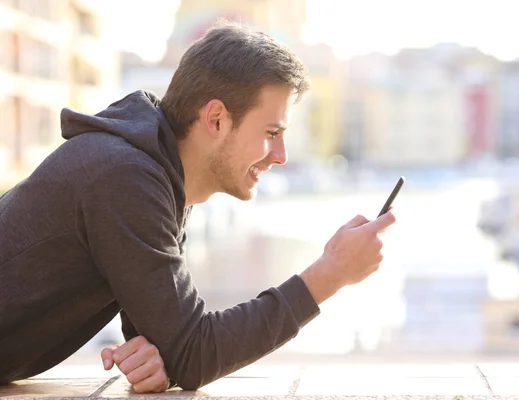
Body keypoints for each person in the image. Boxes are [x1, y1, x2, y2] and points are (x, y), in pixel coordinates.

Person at [0, 20, 396, 393]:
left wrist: (162, 358)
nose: (281, 155)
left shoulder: (154, 173)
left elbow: (170, 343)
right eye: (271, 133)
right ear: (216, 118)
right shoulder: (125, 176)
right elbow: (193, 352)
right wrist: (330, 273)